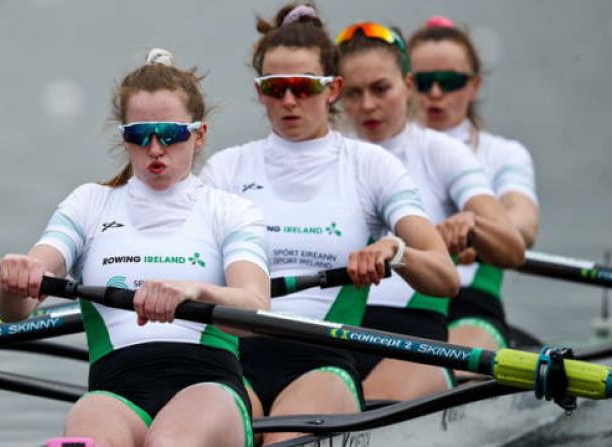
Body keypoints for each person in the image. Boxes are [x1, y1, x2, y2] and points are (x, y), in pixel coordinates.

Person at [199, 5, 458, 444]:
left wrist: (396, 253)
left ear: (333, 89)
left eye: (302, 87)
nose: (288, 101)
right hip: (232, 357)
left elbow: (445, 276)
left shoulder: (371, 166)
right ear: (259, 92)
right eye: (274, 88)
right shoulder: (226, 168)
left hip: (322, 364)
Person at [0, 49, 270, 447]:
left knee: (168, 442)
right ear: (124, 137)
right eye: (139, 135)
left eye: (170, 134)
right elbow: (13, 310)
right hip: (115, 395)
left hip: (208, 392)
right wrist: (15, 278)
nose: (155, 148)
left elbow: (255, 309)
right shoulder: (88, 204)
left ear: (200, 134)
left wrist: (195, 291)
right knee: (83, 429)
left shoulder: (231, 211)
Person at [336, 21, 526, 400]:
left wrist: (474, 226)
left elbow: (513, 247)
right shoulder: (328, 154)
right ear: (336, 95)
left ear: (407, 86)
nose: (368, 105)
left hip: (414, 336)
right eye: (354, 94)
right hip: (332, 330)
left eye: (381, 89)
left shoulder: (441, 152)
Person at [408, 17, 539, 352]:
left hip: (469, 305)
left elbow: (523, 224)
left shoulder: (503, 154)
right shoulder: (377, 154)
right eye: (424, 82)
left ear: (475, 85)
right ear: (405, 83)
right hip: (394, 307)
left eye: (449, 81)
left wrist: (477, 230)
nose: (435, 93)